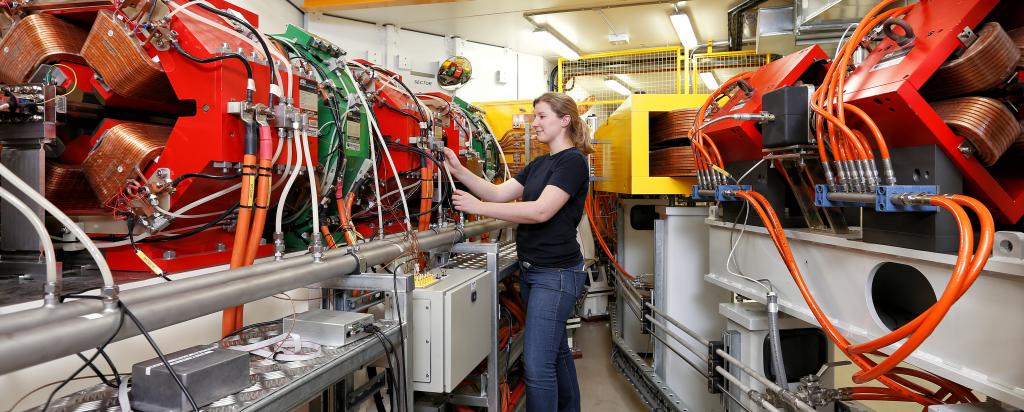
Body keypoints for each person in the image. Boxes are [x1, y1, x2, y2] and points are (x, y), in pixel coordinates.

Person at [442, 92, 593, 411]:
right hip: (533, 271)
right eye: (534, 116)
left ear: (564, 120)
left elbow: (540, 211)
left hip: (556, 275)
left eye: (541, 116)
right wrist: (458, 171)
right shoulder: (539, 164)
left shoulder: (573, 162)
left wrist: (478, 207)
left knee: (538, 368)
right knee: (556, 353)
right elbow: (498, 193)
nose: (533, 123)